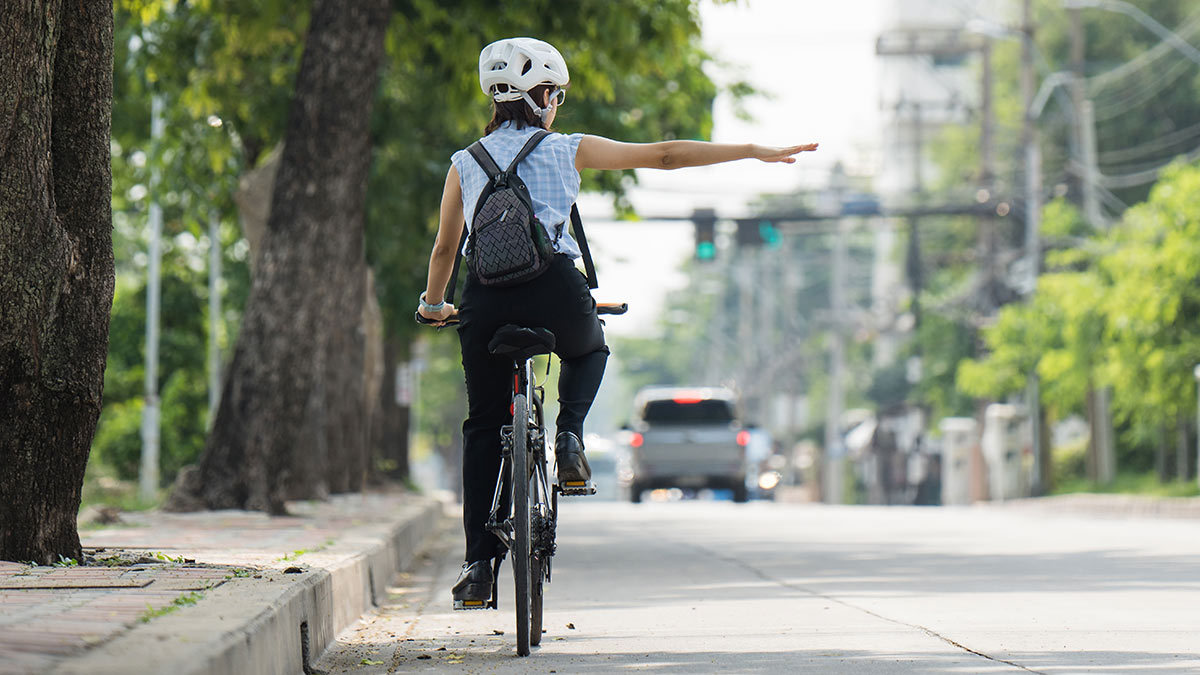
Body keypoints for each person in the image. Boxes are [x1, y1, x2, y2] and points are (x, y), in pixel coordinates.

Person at [416, 37, 817, 608]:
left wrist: (435, 305)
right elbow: (665, 155)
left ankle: (479, 565)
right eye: (557, 95)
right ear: (546, 96)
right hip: (557, 289)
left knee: (483, 426)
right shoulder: (567, 148)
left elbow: (444, 251)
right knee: (589, 351)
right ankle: (570, 434)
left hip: (485, 300)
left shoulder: (463, 163)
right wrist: (753, 149)